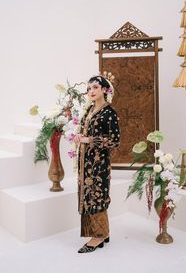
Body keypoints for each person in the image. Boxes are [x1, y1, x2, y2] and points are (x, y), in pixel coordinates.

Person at [74, 74, 120, 253]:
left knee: (97, 196)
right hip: (85, 164)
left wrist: (88, 140)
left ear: (104, 89)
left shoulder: (109, 112)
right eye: (88, 88)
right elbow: (85, 134)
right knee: (88, 196)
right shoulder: (89, 110)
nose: (91, 91)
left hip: (99, 165)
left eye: (95, 87)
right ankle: (102, 232)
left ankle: (98, 237)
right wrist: (80, 137)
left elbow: (114, 141)